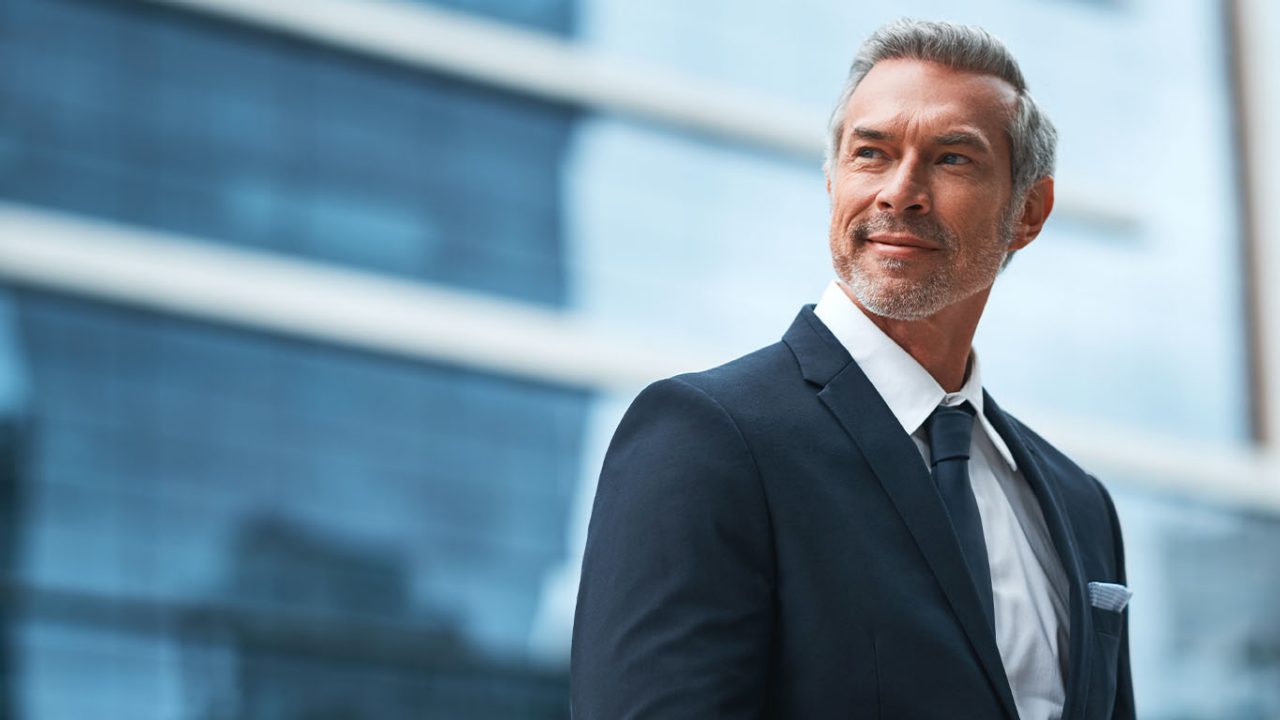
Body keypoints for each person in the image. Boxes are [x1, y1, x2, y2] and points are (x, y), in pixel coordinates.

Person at [570, 18, 1134, 720]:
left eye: (952, 158)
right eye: (872, 153)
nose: (900, 192)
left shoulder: (1082, 506)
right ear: (833, 179)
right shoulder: (707, 438)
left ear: (1029, 212)